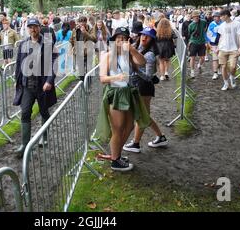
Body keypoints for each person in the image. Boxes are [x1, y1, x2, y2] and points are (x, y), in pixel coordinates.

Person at [96, 27, 149, 171]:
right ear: (113, 40)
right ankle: (115, 160)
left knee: (130, 126)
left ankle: (116, 154)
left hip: (128, 92)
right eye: (118, 38)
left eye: (124, 38)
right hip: (115, 93)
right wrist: (116, 77)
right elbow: (102, 78)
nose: (121, 41)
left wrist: (131, 49)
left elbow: (142, 62)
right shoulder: (107, 55)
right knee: (118, 128)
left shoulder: (128, 54)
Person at [13, 18, 58, 158]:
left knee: (44, 111)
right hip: (27, 85)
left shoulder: (48, 43)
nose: (33, 29)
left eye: (35, 27)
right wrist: (18, 80)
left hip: (42, 85)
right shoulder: (23, 44)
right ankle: (24, 145)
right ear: (27, 29)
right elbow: (19, 63)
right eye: (30, 27)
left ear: (39, 28)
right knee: (25, 112)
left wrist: (50, 81)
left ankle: (44, 136)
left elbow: (54, 63)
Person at [123, 27, 168, 154]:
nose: (144, 37)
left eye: (147, 36)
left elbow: (149, 76)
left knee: (141, 116)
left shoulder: (150, 54)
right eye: (142, 35)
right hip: (137, 85)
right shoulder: (137, 47)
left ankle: (136, 143)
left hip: (144, 86)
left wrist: (135, 69)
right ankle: (160, 137)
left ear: (152, 40)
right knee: (144, 115)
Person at [217, 10, 240, 91]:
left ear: (226, 15)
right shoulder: (221, 25)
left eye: (221, 16)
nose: (220, 18)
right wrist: (218, 47)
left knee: (233, 67)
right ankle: (226, 83)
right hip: (223, 49)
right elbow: (221, 37)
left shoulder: (237, 24)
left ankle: (232, 77)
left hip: (234, 49)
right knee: (223, 66)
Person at [70, 16, 97, 81]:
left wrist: (85, 32)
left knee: (88, 71)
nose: (82, 23)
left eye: (83, 21)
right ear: (78, 22)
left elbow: (94, 39)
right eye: (80, 22)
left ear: (86, 22)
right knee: (81, 72)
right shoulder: (75, 30)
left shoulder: (90, 29)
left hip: (88, 53)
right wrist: (71, 48)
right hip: (78, 52)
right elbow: (71, 40)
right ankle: (82, 86)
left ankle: (89, 87)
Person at [187, 11, 208, 78]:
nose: (196, 17)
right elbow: (189, 33)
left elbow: (206, 27)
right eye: (195, 16)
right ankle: (192, 71)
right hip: (193, 42)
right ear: (192, 17)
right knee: (192, 57)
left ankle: (199, 64)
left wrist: (204, 35)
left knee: (202, 58)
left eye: (197, 16)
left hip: (202, 42)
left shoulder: (203, 22)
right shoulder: (190, 25)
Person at [206, 12, 223, 80]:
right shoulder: (211, 24)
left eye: (218, 16)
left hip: (222, 43)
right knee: (215, 59)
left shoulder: (223, 24)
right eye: (215, 17)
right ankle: (215, 73)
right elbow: (208, 33)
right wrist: (208, 43)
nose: (216, 18)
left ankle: (218, 69)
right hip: (214, 43)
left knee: (220, 58)